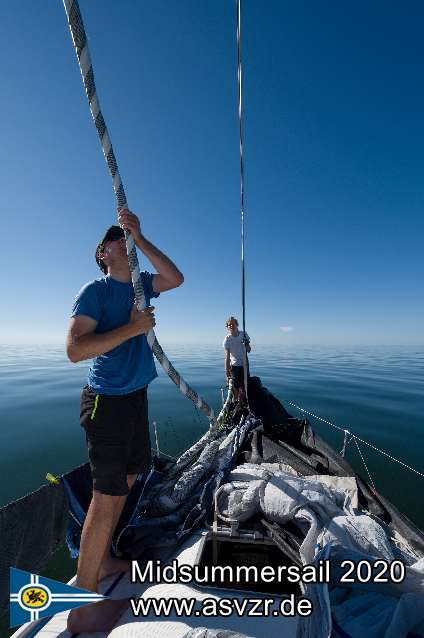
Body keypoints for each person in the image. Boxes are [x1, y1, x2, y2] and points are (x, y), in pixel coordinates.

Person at [65, 207, 183, 633]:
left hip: (136, 399)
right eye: (117, 236)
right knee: (106, 496)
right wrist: (133, 330)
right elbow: (76, 349)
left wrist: (142, 238)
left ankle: (107, 558)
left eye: (125, 235)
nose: (123, 238)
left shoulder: (142, 287)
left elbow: (175, 278)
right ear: (103, 252)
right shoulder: (93, 291)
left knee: (130, 481)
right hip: (106, 404)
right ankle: (81, 606)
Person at [223, 316, 251, 402]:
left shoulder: (244, 334)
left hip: (245, 364)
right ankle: (236, 401)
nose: (231, 326)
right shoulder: (227, 340)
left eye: (233, 324)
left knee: (244, 384)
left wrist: (246, 343)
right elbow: (227, 357)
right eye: (229, 325)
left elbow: (249, 350)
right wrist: (226, 370)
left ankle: (244, 400)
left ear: (237, 324)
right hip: (234, 366)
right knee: (235, 385)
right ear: (227, 327)